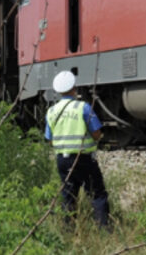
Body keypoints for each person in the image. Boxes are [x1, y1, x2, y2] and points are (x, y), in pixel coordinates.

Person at [45, 70, 110, 228]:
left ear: (58, 91)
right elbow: (96, 133)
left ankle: (68, 229)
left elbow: (49, 139)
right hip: (84, 159)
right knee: (97, 194)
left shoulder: (51, 112)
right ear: (74, 88)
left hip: (63, 160)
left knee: (68, 195)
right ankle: (103, 229)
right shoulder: (83, 108)